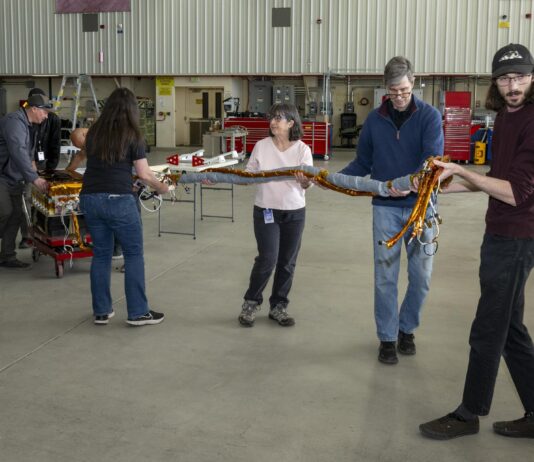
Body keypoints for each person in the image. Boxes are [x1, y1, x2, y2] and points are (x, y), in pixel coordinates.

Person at [420, 43, 534, 440]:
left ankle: (469, 414)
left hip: (518, 236)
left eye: (520, 76)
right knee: (511, 329)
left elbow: (516, 193)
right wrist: (443, 187)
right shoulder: (505, 118)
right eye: (505, 78)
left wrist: (455, 167)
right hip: (499, 230)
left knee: (488, 328)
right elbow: (495, 177)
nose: (512, 85)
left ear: (532, 77)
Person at [338, 56, 444, 364]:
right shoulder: (374, 120)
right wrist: (330, 180)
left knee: (421, 276)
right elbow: (362, 163)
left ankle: (406, 329)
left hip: (421, 208)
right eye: (393, 91)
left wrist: (407, 182)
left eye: (404, 90)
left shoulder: (429, 117)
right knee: (385, 275)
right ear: (385, 88)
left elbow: (432, 163)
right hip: (385, 207)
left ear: (414, 83)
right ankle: (387, 337)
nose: (399, 97)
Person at [79, 88, 168, 326]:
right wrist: (162, 188)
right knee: (133, 255)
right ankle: (138, 312)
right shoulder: (133, 134)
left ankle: (101, 311)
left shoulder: (95, 132)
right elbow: (144, 173)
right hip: (118, 200)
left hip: (90, 198)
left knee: (101, 255)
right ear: (132, 110)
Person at [237, 103, 313, 327]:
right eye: (272, 118)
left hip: (294, 212)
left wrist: (305, 180)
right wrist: (231, 175)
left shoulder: (302, 149)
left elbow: (308, 183)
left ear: (291, 123)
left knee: (287, 262)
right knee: (267, 259)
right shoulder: (261, 146)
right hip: (266, 210)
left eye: (278, 118)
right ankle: (251, 302)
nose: (272, 122)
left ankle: (279, 306)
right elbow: (248, 174)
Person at [0, 94, 50, 268]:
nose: (46, 116)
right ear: (34, 109)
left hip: (13, 177)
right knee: (5, 212)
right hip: (2, 176)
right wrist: (34, 178)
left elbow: (27, 151)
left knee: (15, 215)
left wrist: (33, 166)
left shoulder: (29, 124)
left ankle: (7, 256)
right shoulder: (14, 122)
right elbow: (18, 150)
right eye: (44, 112)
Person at [19, 88, 62, 249]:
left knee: (45, 201)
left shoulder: (53, 120)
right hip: (26, 164)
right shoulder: (23, 120)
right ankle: (27, 236)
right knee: (27, 199)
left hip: (44, 165)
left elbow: (55, 145)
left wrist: (51, 169)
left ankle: (47, 232)